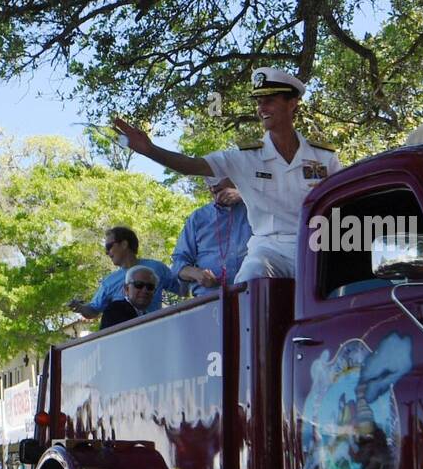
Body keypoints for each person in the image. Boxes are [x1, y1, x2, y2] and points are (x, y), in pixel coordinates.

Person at [113, 67, 341, 283]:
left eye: (269, 100)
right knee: (251, 276)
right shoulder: (245, 157)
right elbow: (192, 166)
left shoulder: (324, 156)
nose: (262, 108)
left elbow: (341, 202)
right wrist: (151, 150)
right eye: (259, 102)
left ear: (292, 103)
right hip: (270, 248)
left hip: (316, 244)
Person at [68, 226, 173, 320]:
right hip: (125, 336)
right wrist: (80, 308)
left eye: (109, 247)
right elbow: (93, 310)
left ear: (124, 244)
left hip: (155, 330)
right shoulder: (109, 282)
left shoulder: (157, 268)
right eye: (138, 285)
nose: (106, 252)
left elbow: (182, 289)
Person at [169, 178, 252, 295]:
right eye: (208, 182)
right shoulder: (198, 217)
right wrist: (195, 273)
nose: (212, 187)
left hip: (252, 295)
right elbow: (178, 265)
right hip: (209, 300)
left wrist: (246, 195)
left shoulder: (256, 208)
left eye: (216, 179)